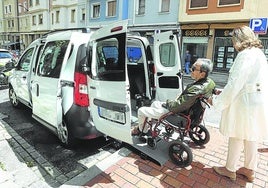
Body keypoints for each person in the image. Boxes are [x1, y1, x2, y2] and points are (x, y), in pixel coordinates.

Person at [209, 26, 268, 182]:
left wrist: (216, 101)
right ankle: (250, 169)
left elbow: (235, 83)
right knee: (251, 136)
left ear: (239, 39)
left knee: (236, 134)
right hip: (257, 101)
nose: (234, 44)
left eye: (234, 40)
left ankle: (229, 169)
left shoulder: (245, 55)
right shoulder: (259, 54)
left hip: (244, 103)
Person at [131, 59, 215, 136]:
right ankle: (149, 124)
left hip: (179, 115)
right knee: (155, 103)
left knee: (141, 111)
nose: (190, 70)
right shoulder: (210, 82)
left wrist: (168, 103)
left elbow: (177, 106)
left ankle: (143, 130)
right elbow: (213, 90)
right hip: (189, 113)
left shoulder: (196, 89)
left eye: (193, 68)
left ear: (202, 74)